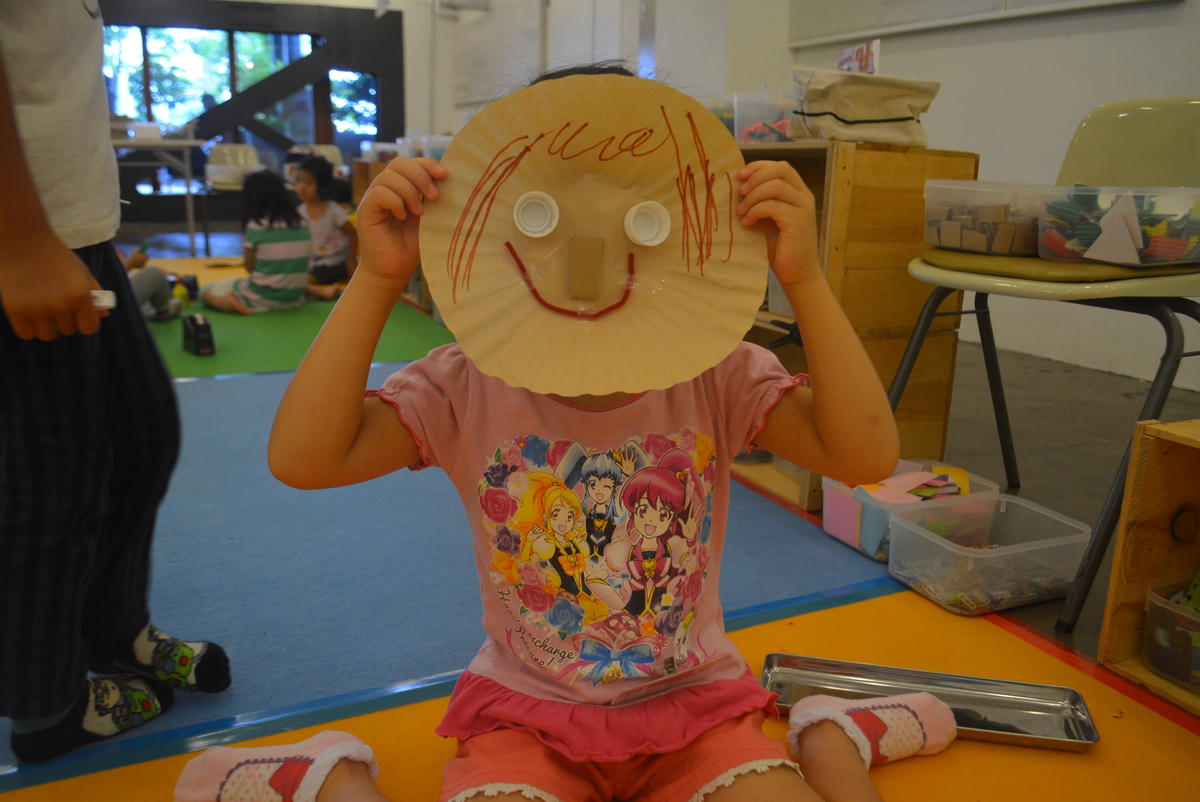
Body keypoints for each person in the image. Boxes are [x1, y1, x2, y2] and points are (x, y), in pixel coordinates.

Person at [178, 68, 955, 802]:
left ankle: (830, 739)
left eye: (636, 223)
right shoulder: (464, 385)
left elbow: (864, 456)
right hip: (529, 715)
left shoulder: (714, 372)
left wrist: (806, 279)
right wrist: (377, 277)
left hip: (694, 705)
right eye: (543, 219)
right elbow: (305, 459)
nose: (587, 265)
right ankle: (332, 775)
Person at [0, 1, 230, 764]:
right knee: (53, 481)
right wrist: (18, 238)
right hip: (23, 237)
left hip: (77, 232)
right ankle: (47, 705)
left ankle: (111, 629)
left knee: (141, 437)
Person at [201, 169, 325, 314]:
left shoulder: (256, 226)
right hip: (294, 296)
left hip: (261, 298)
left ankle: (228, 302)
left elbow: (249, 268)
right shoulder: (303, 223)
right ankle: (319, 291)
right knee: (286, 279)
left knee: (206, 291)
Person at [295, 155, 358, 298]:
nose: (301, 187)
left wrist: (350, 261)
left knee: (323, 273)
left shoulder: (333, 210)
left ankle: (310, 286)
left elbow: (352, 234)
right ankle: (309, 285)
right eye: (299, 181)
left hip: (336, 260)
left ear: (322, 188)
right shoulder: (300, 212)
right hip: (314, 261)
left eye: (309, 183)